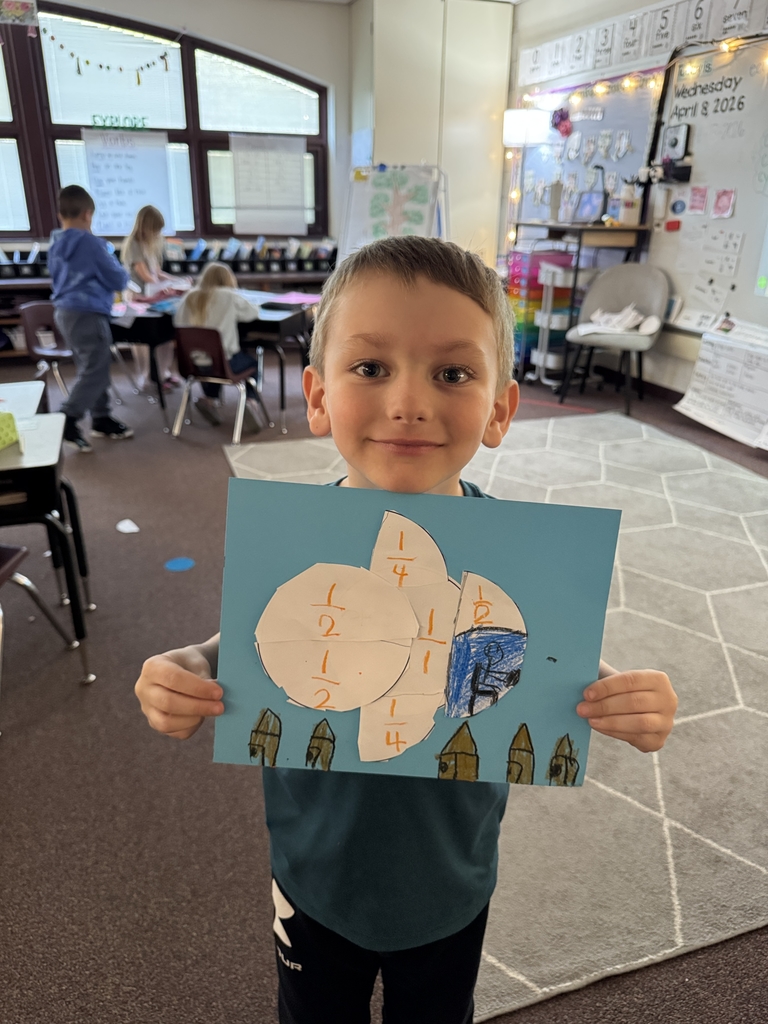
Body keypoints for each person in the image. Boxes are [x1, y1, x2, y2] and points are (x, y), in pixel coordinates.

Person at [134, 237, 678, 1024]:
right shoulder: (296, 547)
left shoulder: (518, 564)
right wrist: (186, 665)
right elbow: (253, 647)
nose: (408, 402)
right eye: (371, 368)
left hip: (450, 884)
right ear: (318, 397)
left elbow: (550, 665)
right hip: (313, 875)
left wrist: (629, 698)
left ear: (499, 409)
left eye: (452, 373)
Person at [48, 185, 134, 452]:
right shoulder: (91, 243)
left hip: (66, 313)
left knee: (93, 366)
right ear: (88, 214)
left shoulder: (56, 242)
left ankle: (101, 418)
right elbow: (118, 279)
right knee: (95, 370)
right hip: (87, 312)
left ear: (61, 214)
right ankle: (68, 418)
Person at [173, 261, 264, 431]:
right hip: (225, 364)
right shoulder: (229, 295)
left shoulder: (188, 297)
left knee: (209, 360)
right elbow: (253, 313)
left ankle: (209, 400)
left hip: (191, 366)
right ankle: (251, 402)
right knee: (251, 364)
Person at [122, 205, 178, 392]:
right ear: (145, 226)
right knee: (144, 342)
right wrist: (165, 288)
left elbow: (157, 272)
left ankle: (164, 373)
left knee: (166, 337)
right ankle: (147, 377)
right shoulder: (134, 244)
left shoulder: (151, 244)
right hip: (138, 298)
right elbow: (145, 275)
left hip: (154, 297)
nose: (157, 234)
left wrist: (177, 281)